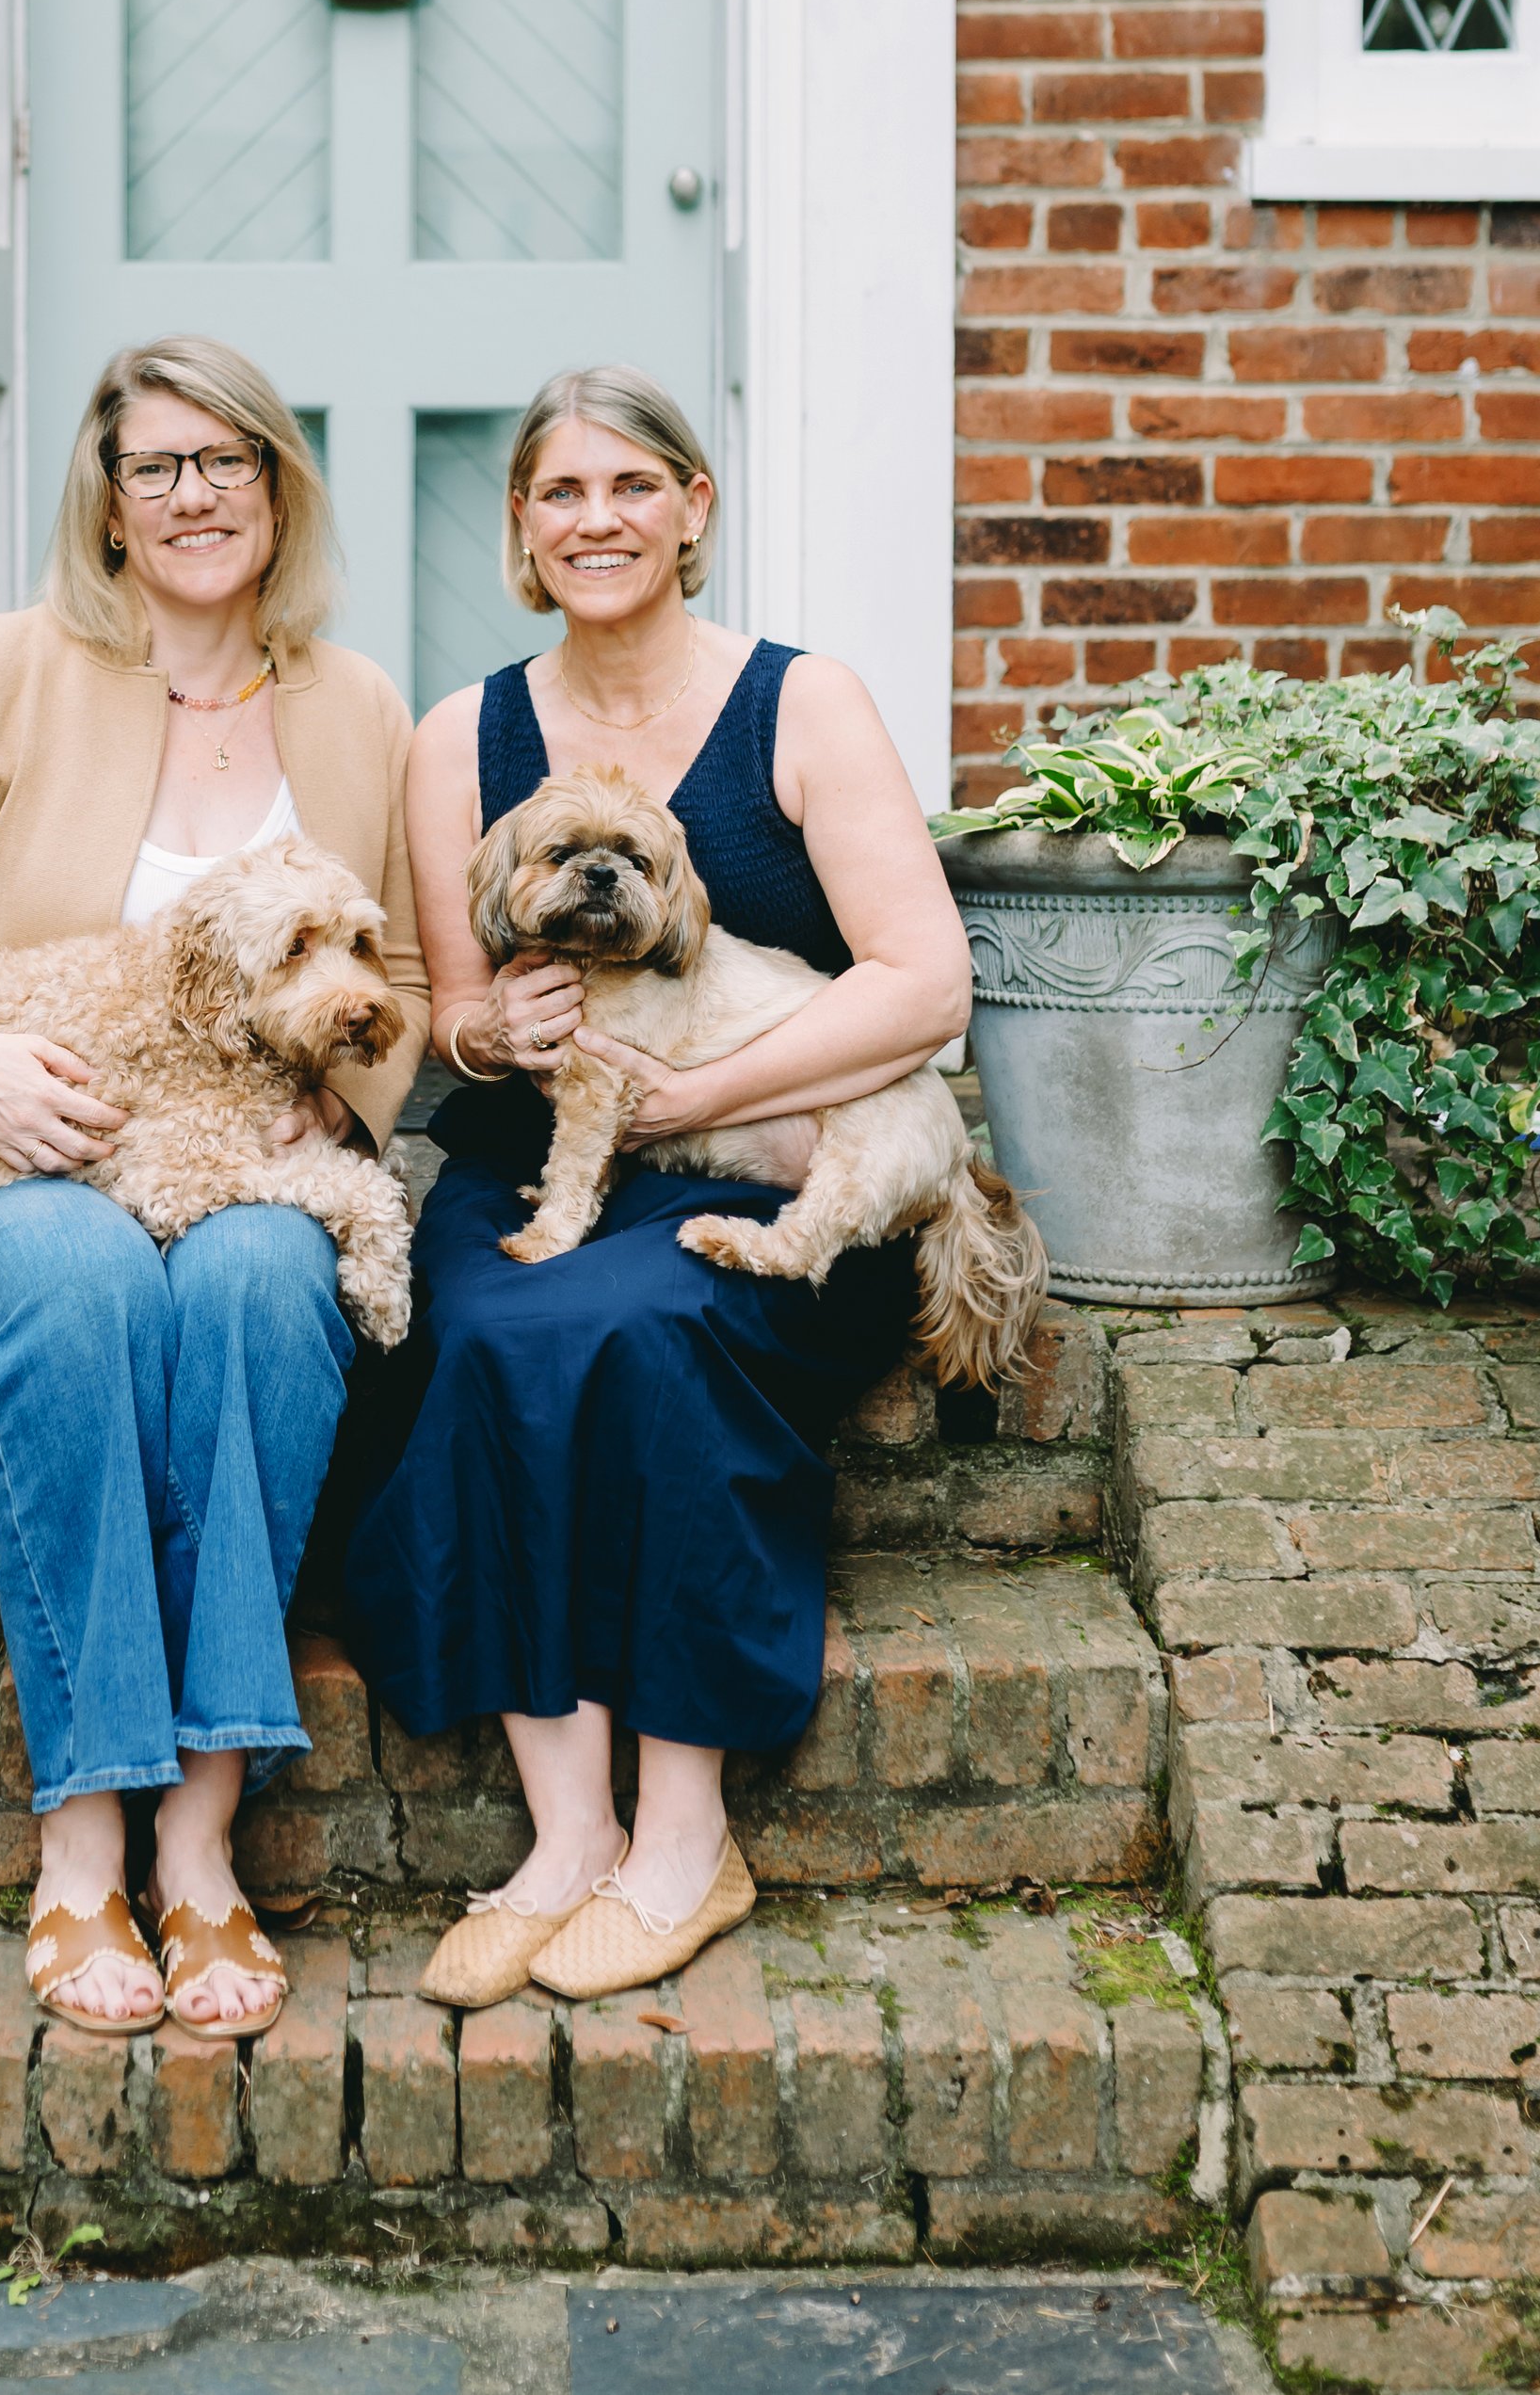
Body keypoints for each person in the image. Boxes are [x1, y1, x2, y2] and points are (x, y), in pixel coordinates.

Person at [0, 337, 427, 2042]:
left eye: (232, 461)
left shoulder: (352, 706)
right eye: (159, 467)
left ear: (278, 491)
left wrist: (331, 1120)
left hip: (242, 1167)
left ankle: (200, 1835)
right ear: (108, 504)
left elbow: (394, 972)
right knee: (81, 1275)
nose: (196, 494)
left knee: (265, 1279)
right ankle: (82, 1835)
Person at [345, 365, 970, 2007]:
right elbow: (449, 1009)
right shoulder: (460, 735)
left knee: (640, 1324)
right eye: (561, 492)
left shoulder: (803, 702)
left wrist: (691, 1094)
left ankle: (683, 1829)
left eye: (634, 485)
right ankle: (563, 1837)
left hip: (772, 1154)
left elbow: (923, 984)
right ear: (523, 532)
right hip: (541, 1158)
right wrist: (492, 1027)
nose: (598, 518)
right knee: (494, 1326)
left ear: (694, 508)